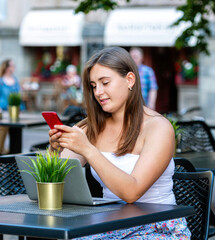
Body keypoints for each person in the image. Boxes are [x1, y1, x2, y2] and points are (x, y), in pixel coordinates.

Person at [48, 47, 191, 239]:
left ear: (130, 80)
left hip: (156, 226)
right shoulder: (92, 128)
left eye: (105, 83)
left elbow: (132, 192)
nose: (98, 92)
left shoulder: (158, 128)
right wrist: (54, 150)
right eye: (93, 85)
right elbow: (54, 179)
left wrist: (89, 150)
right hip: (107, 224)